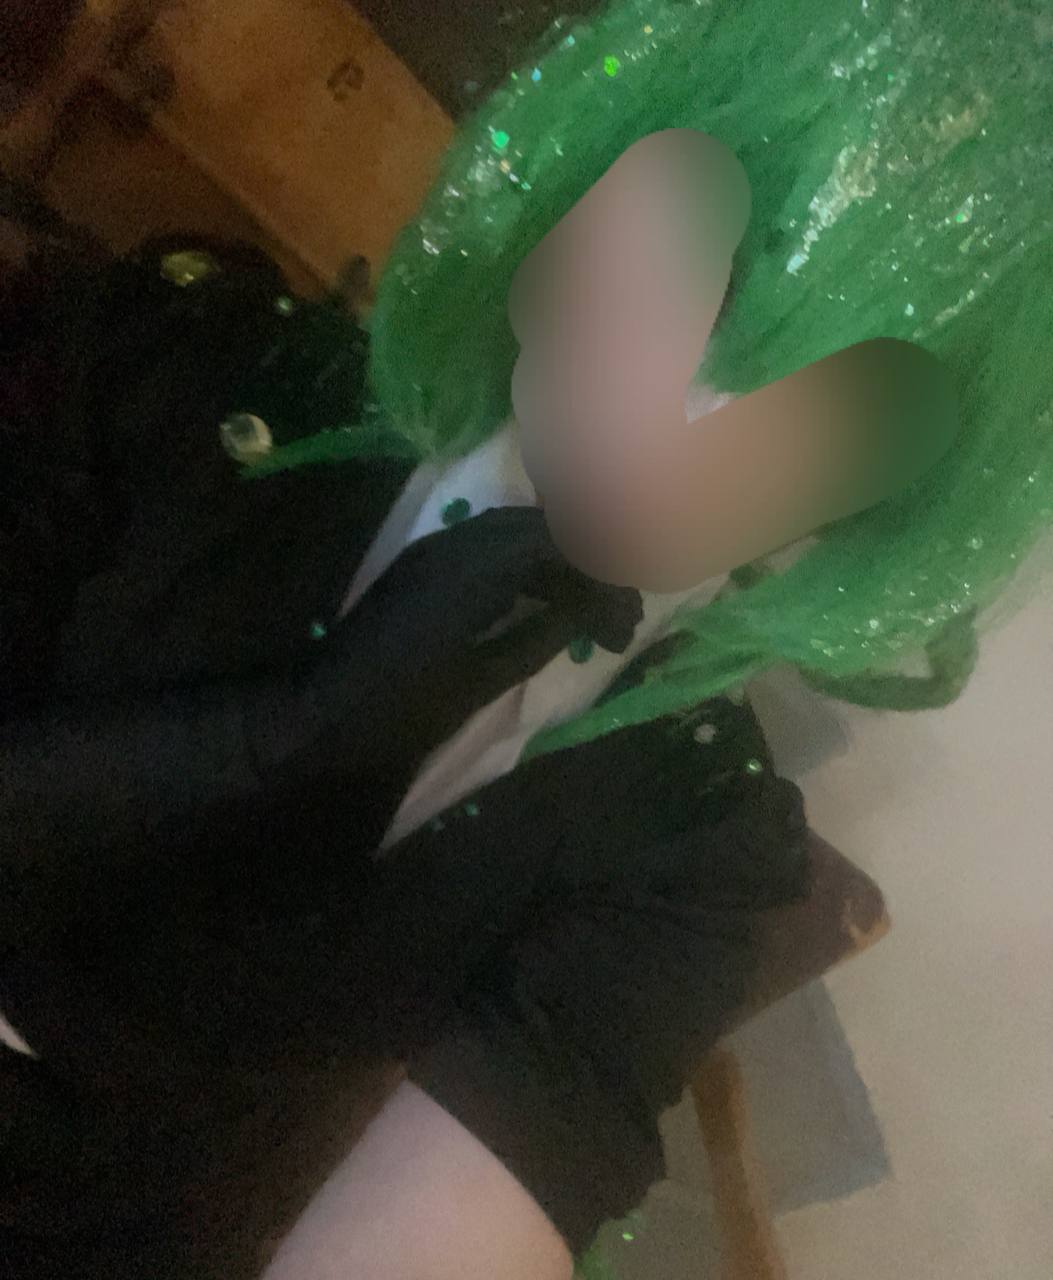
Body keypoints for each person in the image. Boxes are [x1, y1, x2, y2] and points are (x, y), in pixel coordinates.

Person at [3, 2, 1052, 1278]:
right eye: (715, 274)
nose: (691, 411)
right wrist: (276, 733)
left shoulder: (699, 848)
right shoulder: (184, 363)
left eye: (839, 408)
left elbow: (525, 1136)